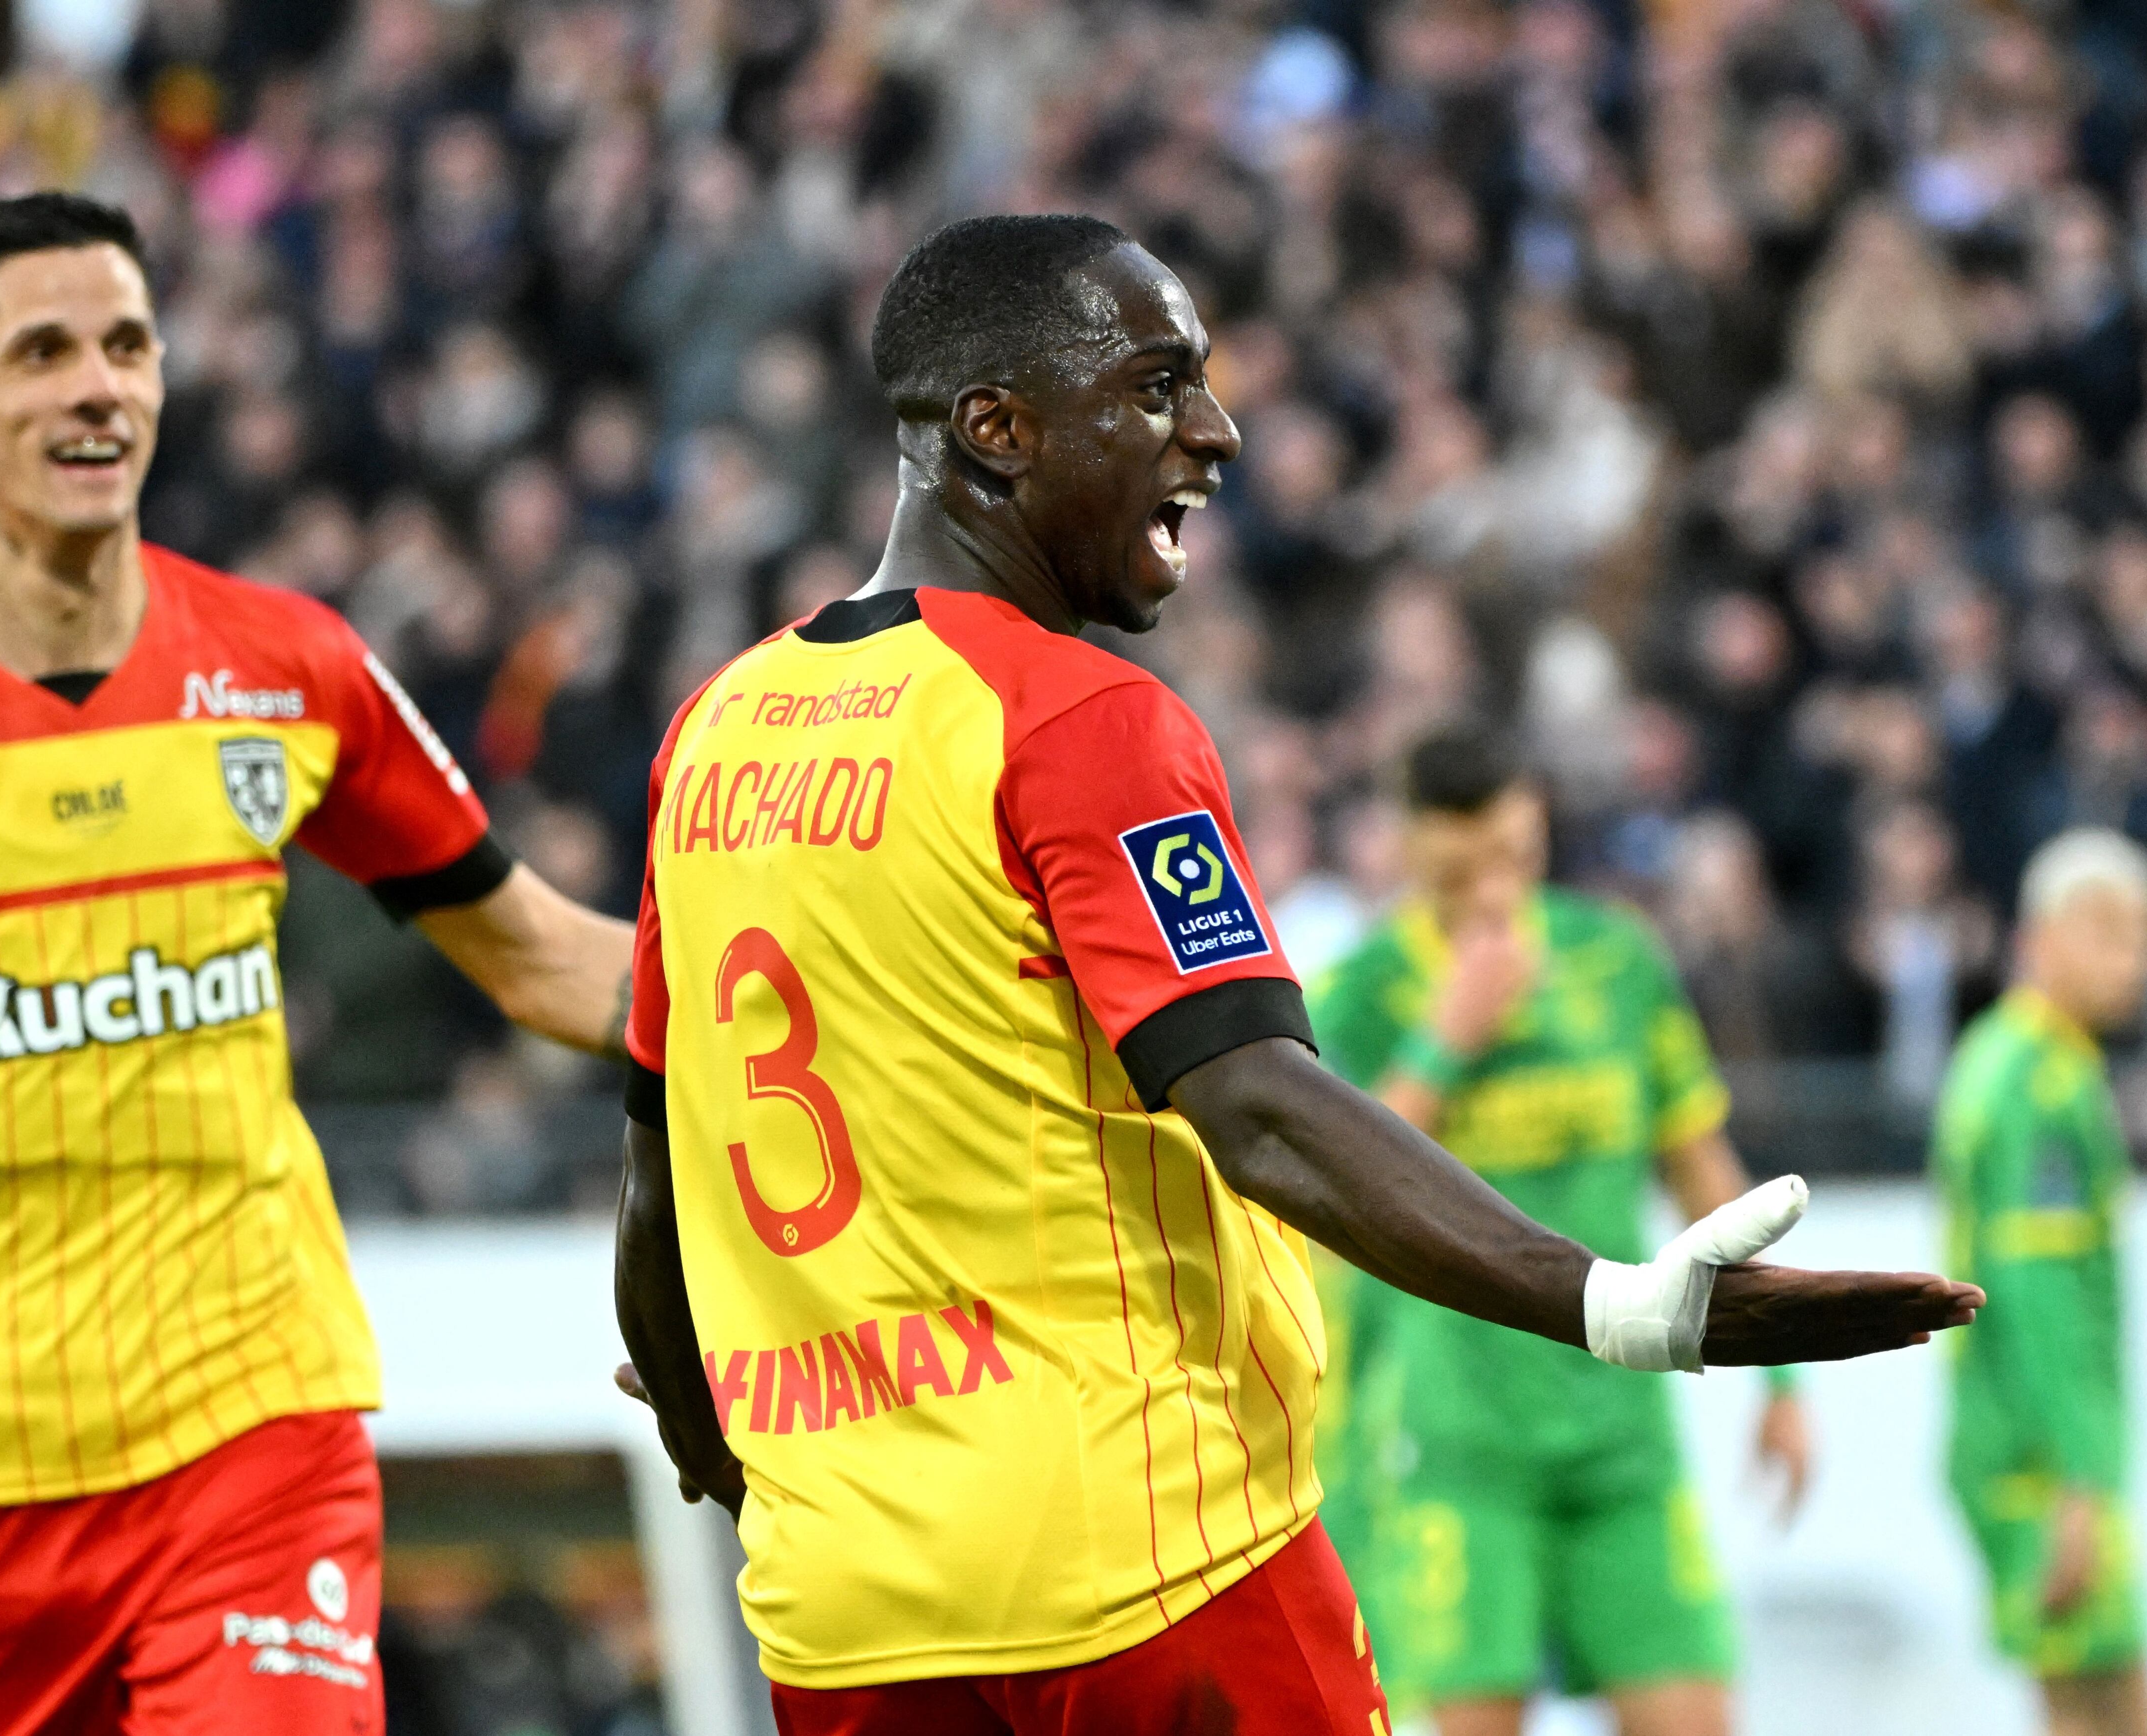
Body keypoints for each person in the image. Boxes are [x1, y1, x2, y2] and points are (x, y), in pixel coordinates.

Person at [613, 214, 1980, 1736]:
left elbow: (659, 1190)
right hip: (1147, 1563)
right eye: (1155, 389)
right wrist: (1615, 1301)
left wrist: (724, 1452)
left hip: (848, 1610)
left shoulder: (712, 735)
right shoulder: (1077, 718)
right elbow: (1257, 1107)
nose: (1217, 430)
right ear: (994, 431)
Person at [0, 192, 637, 1733]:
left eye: (126, 345)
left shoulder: (285, 665)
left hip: (252, 1420)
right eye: (41, 351)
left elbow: (544, 961)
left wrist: (832, 992)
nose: (95, 387)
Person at [1309, 723, 1806, 1736]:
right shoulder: (1357, 998)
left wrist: (1784, 1378)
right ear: (1405, 852)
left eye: (1515, 860)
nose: (1493, 895)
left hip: (1621, 1439)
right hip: (1451, 1447)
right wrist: (1446, 1042)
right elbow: (1336, 1195)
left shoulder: (1618, 962)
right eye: (1459, 873)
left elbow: (1703, 1174)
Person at [1934, 829, 2147, 1736]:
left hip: (2015, 1443)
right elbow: (2037, 1296)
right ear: (2046, 935)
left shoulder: (2006, 1057)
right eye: (2112, 932)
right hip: (2039, 1457)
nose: (2139, 959)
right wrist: (2081, 1478)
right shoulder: (2039, 1081)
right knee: (2110, 1712)